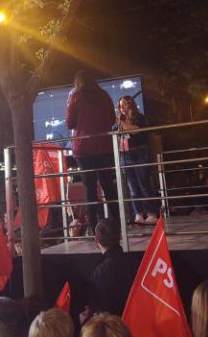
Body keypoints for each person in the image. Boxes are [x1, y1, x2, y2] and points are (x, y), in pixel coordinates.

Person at [66, 70, 117, 235]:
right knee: (108, 185)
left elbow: (69, 123)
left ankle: (92, 226)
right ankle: (116, 221)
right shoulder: (104, 96)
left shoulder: (75, 97)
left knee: (89, 188)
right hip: (104, 146)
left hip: (83, 148)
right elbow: (112, 119)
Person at [116, 96, 159, 225]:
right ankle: (138, 214)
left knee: (144, 184)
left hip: (140, 153)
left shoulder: (139, 117)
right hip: (125, 154)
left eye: (124, 105)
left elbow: (135, 130)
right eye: (120, 106)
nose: (121, 108)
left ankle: (151, 213)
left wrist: (120, 122)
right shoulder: (120, 120)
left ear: (130, 104)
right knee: (133, 188)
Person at [85, 219, 136, 317]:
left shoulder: (100, 271)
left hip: (113, 325)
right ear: (120, 236)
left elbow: (100, 309)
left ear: (96, 239)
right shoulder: (136, 262)